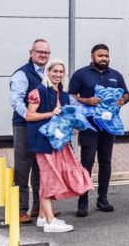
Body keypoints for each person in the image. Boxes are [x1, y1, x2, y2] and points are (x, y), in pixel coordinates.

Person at [25, 58, 93, 233]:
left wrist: (72, 130)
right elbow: (29, 116)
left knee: (51, 176)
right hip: (42, 142)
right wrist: (50, 113)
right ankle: (50, 222)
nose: (58, 75)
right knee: (49, 178)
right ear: (47, 72)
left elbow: (64, 118)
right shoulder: (37, 91)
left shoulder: (63, 94)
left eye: (61, 72)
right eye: (54, 71)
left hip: (59, 142)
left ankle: (41, 217)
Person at [68, 44, 129, 217]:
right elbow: (70, 96)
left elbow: (126, 94)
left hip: (109, 126)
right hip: (89, 126)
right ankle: (83, 201)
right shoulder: (81, 74)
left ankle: (102, 199)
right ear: (92, 56)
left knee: (106, 162)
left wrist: (122, 101)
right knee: (87, 162)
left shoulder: (115, 75)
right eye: (100, 55)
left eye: (106, 56)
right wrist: (86, 100)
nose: (104, 58)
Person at [9, 39, 51, 223]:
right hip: (25, 126)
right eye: (39, 51)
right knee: (23, 168)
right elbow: (16, 100)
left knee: (40, 167)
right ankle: (20, 209)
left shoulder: (49, 73)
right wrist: (27, 115)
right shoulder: (22, 74)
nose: (43, 55)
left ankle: (38, 208)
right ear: (31, 52)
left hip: (43, 126)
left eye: (46, 52)